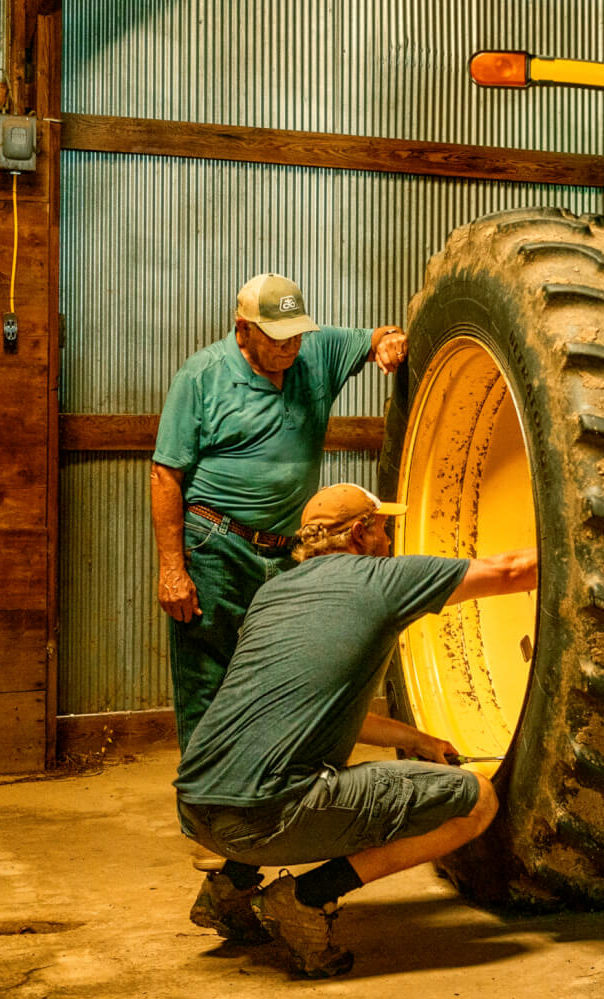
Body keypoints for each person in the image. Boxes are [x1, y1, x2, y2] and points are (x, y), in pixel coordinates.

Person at [174, 481, 538, 977]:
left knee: (294, 758)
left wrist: (416, 740)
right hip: (266, 819)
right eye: (384, 527)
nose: (388, 538)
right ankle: (306, 899)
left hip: (196, 811)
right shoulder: (382, 580)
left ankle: (229, 891)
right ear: (363, 533)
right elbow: (513, 570)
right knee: (476, 801)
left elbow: (303, 704)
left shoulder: (272, 592)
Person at [149, 273, 409, 752]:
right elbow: (166, 475)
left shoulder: (315, 352)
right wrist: (172, 568)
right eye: (277, 337)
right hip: (216, 546)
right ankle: (207, 802)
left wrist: (390, 342)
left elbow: (376, 340)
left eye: (297, 335)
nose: (290, 347)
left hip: (289, 552)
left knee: (289, 668)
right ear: (243, 328)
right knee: (209, 681)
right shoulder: (202, 376)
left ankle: (272, 787)